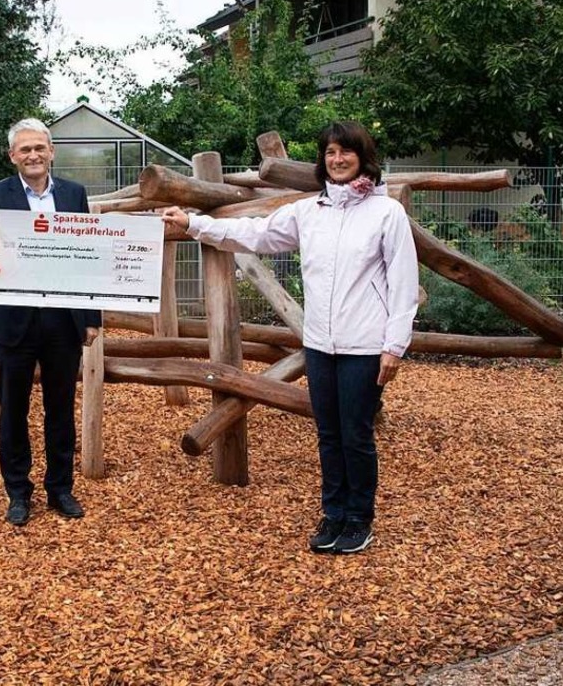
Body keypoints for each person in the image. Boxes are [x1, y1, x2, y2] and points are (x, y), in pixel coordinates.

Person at [162, 121, 419, 554]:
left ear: (363, 157)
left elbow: (403, 281)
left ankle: (359, 519)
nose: (337, 160)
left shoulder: (386, 212)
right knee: (328, 433)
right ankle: (333, 512)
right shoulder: (309, 211)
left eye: (346, 152)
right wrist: (194, 223)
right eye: (330, 153)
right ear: (322, 161)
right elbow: (256, 234)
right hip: (320, 343)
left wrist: (394, 345)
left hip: (364, 345)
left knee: (355, 434)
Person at [0, 118, 101, 526]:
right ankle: (18, 492)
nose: (33, 155)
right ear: (13, 156)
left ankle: (60, 488)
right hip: (14, 321)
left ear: (51, 151)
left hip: (63, 321)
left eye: (39, 148)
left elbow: (87, 255)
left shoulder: (75, 194)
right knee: (14, 410)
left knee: (60, 408)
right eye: (24, 149)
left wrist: (91, 316)